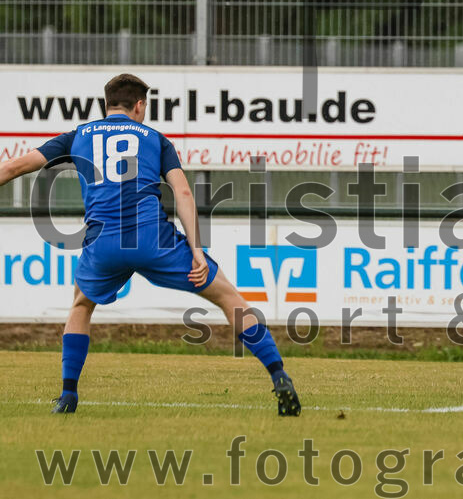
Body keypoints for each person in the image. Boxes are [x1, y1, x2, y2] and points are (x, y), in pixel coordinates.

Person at [0, 74, 300, 416]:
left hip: (104, 243)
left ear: (108, 104)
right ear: (139, 105)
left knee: (81, 306)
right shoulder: (156, 139)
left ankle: (68, 396)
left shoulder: (79, 136)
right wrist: (197, 251)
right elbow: (183, 193)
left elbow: (13, 167)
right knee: (228, 296)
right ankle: (279, 375)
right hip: (154, 240)